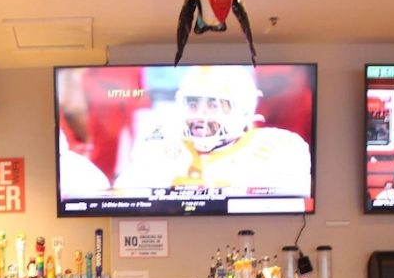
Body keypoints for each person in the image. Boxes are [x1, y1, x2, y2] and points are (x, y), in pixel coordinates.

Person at [112, 65, 311, 195]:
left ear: (242, 108)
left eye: (213, 105)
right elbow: (125, 200)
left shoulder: (279, 150)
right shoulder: (159, 147)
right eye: (193, 104)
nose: (200, 114)